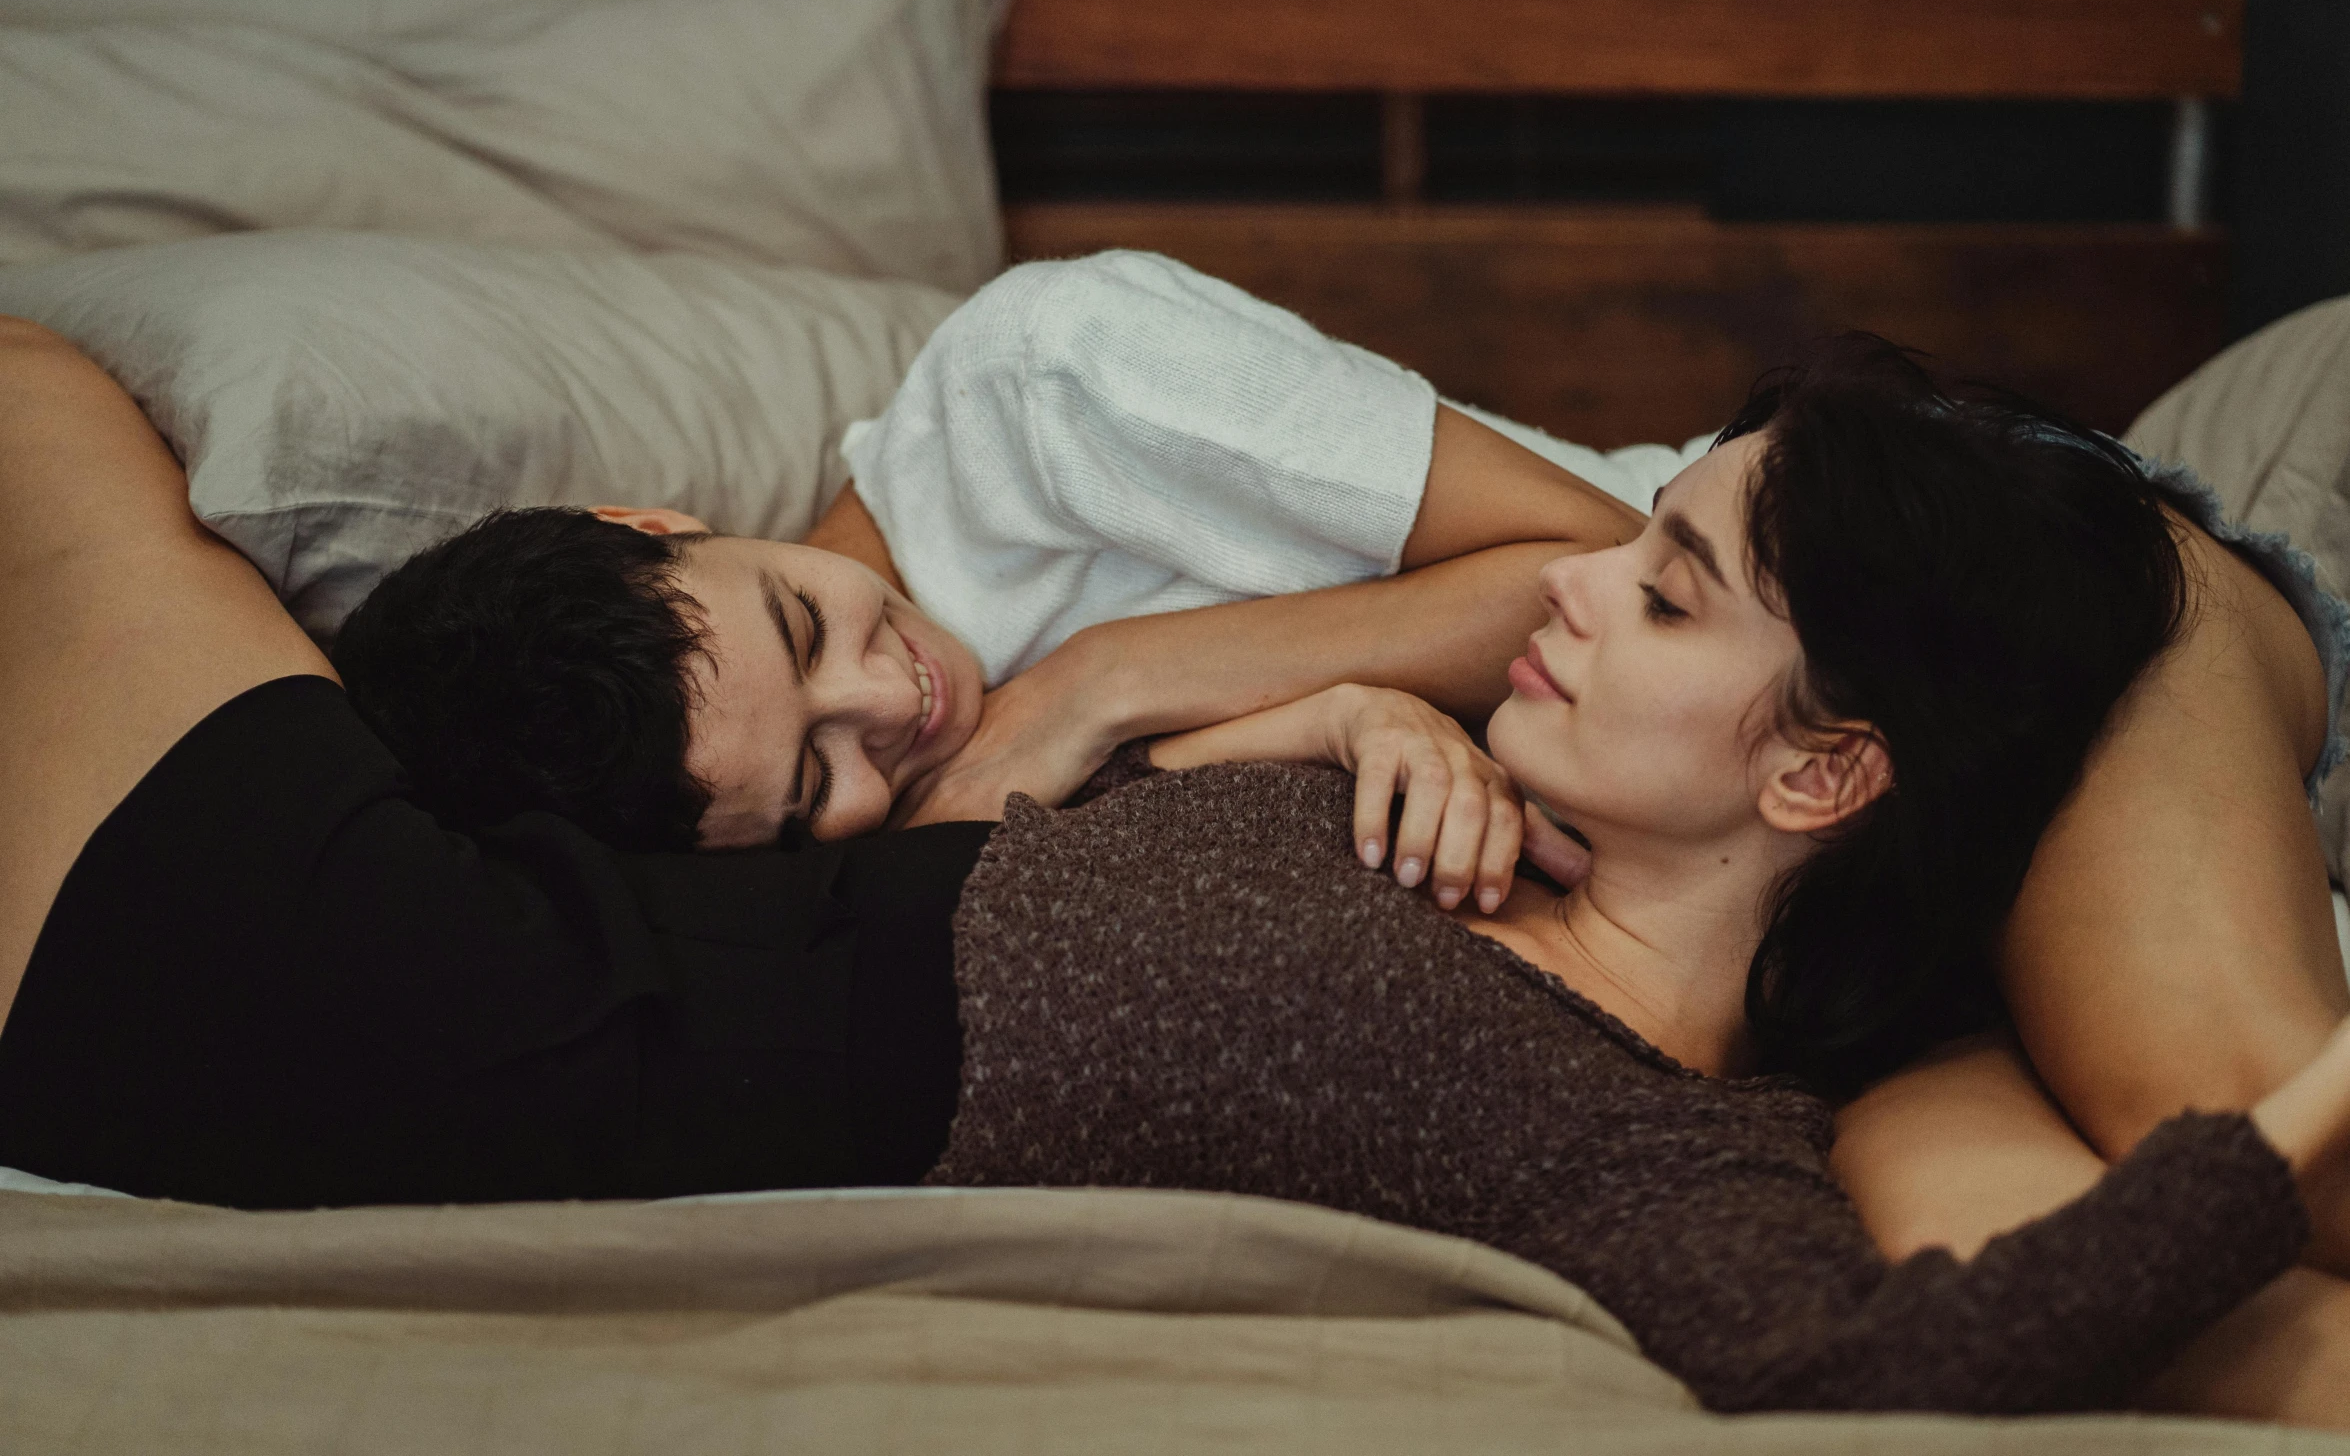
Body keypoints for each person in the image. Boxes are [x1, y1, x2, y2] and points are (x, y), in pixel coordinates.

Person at [911, 337, 2350, 1416]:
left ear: (1818, 773)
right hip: (1898, 716)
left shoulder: (1649, 1141)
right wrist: (1341, 709)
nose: (1568, 577)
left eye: (1657, 592)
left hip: (2100, 589)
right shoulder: (1447, 796)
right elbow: (1081, 829)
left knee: (2240, 1103)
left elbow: (1899, 1352)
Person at [332, 252, 1655, 890]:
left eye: (800, 629)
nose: (887, 704)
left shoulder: (1044, 382)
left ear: (655, 519)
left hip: (1775, 583)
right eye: (810, 779)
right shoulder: (865, 859)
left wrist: (1107, 678)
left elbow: (1618, 575)